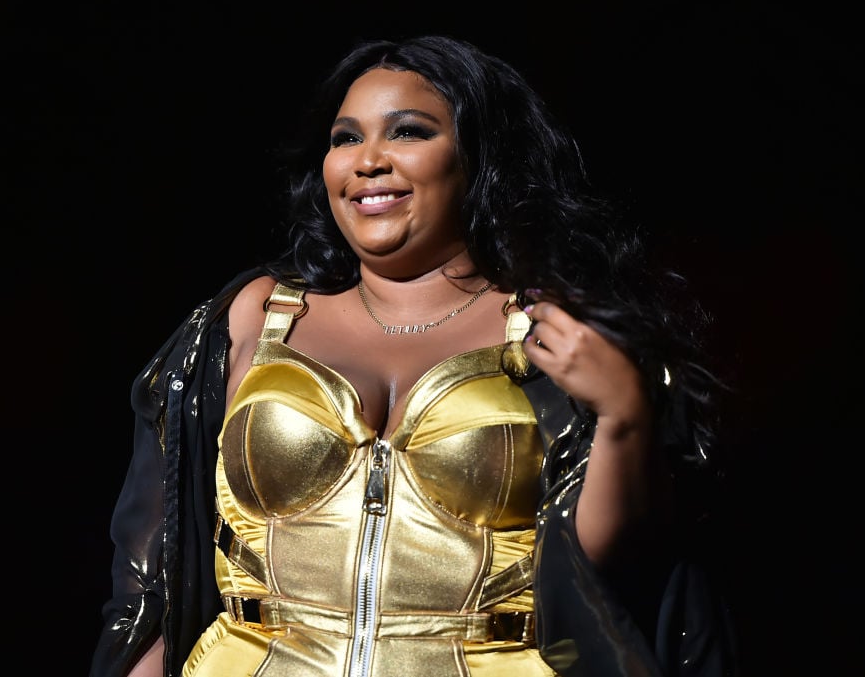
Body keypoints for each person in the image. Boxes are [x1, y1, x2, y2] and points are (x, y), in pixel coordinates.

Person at [90, 35, 737, 677]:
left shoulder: (553, 330)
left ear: (478, 156)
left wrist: (624, 416)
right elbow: (153, 579)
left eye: (408, 132)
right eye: (346, 138)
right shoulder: (255, 317)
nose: (368, 160)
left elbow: (607, 575)